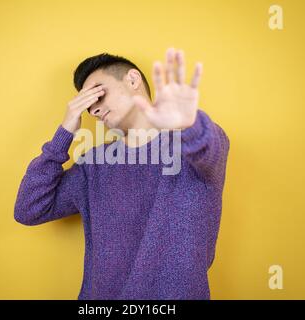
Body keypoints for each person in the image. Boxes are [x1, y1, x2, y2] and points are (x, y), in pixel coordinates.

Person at [14, 48, 230, 299]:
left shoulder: (194, 147)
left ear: (132, 79)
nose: (93, 110)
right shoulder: (93, 164)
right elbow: (29, 209)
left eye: (98, 93)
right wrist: (64, 132)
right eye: (86, 105)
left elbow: (208, 144)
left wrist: (187, 121)